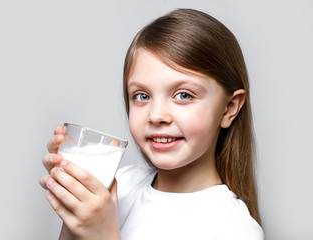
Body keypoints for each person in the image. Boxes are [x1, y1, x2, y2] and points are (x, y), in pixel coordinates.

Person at [39, 8, 264, 240]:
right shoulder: (122, 185)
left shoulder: (234, 228)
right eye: (142, 96)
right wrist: (76, 207)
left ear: (229, 108)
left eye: (184, 95)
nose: (156, 116)